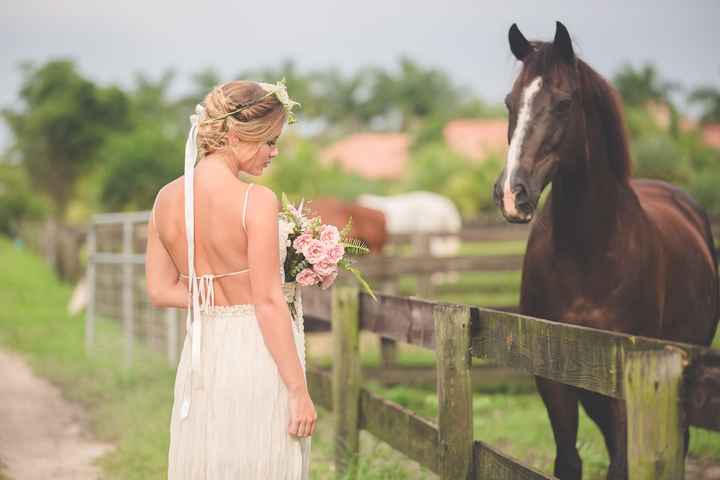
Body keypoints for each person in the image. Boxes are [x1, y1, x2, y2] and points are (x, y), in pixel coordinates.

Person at [144, 79, 314, 479]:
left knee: (208, 459)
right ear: (236, 134)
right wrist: (298, 391)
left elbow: (158, 290)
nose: (273, 153)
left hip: (203, 352)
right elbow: (268, 303)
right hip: (257, 351)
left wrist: (214, 300)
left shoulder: (166, 199)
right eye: (269, 142)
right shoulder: (256, 200)